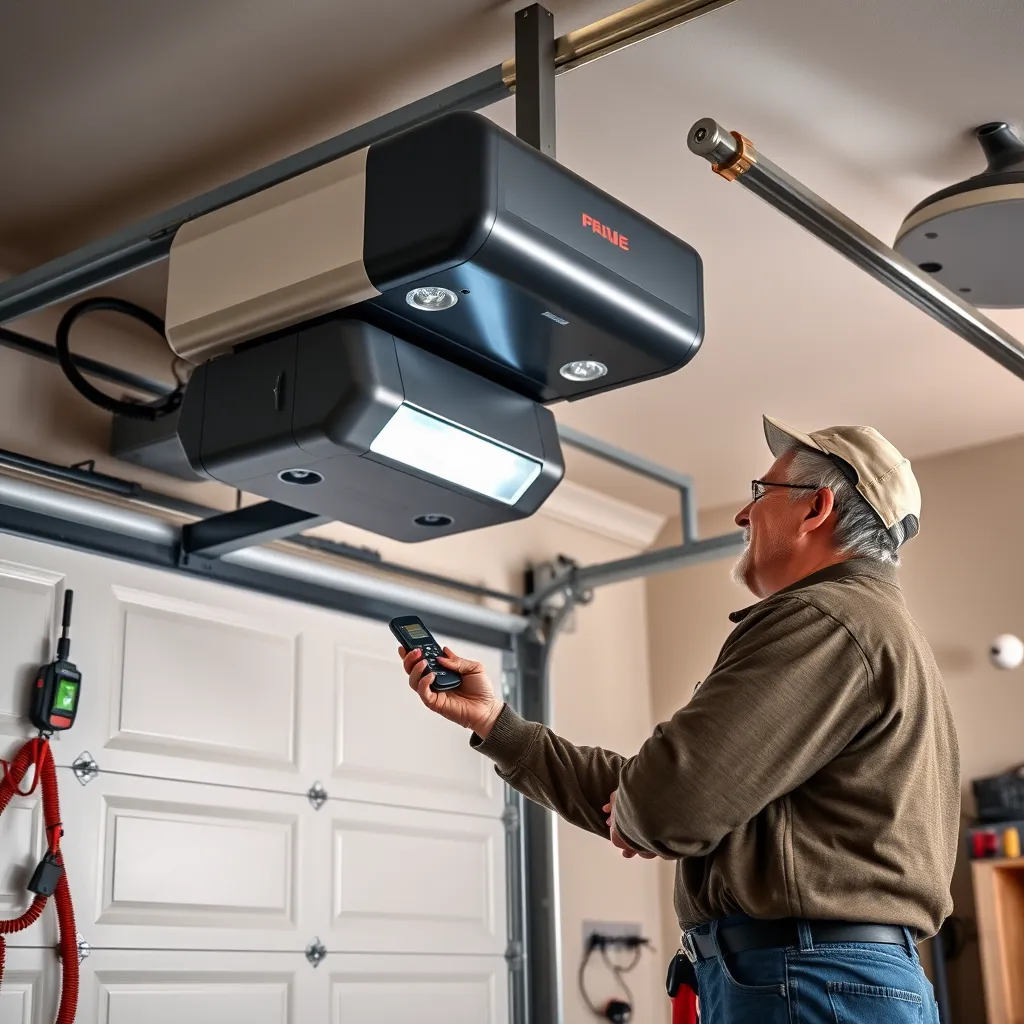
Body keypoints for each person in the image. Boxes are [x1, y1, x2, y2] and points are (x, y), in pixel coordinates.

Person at [398, 415, 959, 1024]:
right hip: (816, 979)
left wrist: (653, 812)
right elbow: (661, 796)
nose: (744, 517)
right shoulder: (864, 628)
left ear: (816, 508)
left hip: (808, 980)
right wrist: (497, 724)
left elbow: (669, 803)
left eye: (759, 494)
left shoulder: (825, 621)